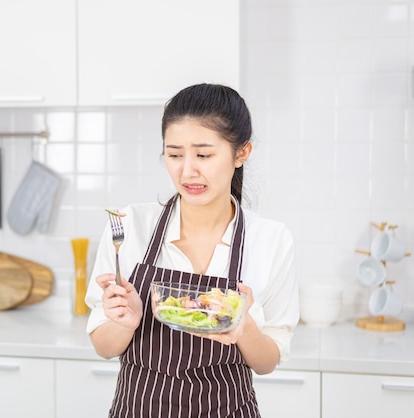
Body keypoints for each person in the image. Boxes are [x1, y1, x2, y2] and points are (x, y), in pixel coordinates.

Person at [85, 83, 299, 418]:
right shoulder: (129, 228)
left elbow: (268, 361)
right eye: (174, 154)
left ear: (241, 153)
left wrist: (244, 328)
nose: (187, 171)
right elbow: (103, 346)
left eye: (203, 155)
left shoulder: (270, 239)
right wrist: (127, 322)